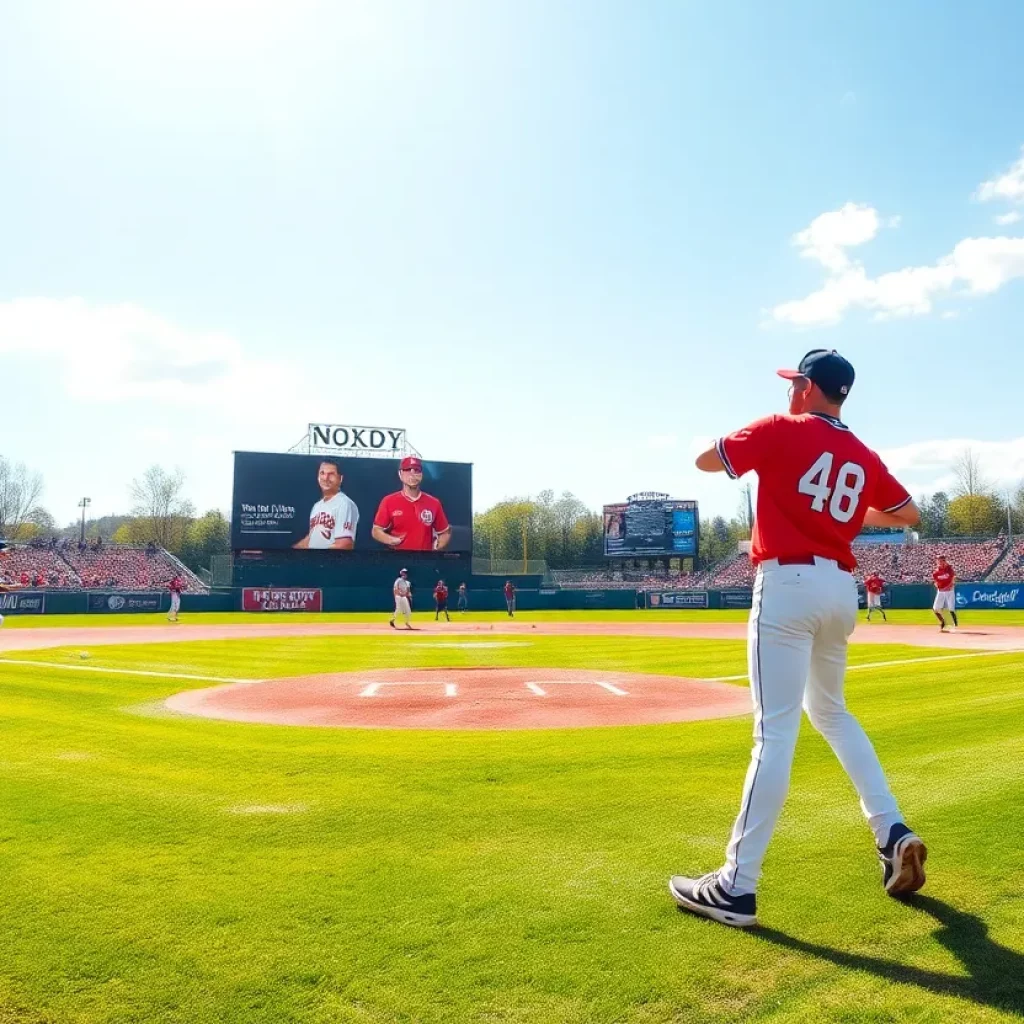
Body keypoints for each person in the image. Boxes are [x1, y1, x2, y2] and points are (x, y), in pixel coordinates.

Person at [671, 348, 926, 928]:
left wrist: (745, 439)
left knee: (774, 732)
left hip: (786, 581)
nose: (790, 390)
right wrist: (852, 508)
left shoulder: (779, 428)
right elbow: (907, 513)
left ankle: (737, 887)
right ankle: (891, 830)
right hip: (840, 589)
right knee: (832, 712)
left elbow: (706, 461)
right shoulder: (861, 452)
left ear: (809, 387)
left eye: (795, 383)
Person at [372, 457, 451, 552]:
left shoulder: (434, 503)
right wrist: (391, 540)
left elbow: (445, 532)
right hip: (398, 560)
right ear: (400, 474)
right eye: (408, 470)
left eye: (416, 470)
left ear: (421, 474)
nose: (412, 473)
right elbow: (376, 531)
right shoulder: (388, 501)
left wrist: (438, 546)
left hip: (425, 559)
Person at [294, 459, 360, 550]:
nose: (326, 478)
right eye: (322, 473)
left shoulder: (344, 503)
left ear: (340, 478)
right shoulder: (317, 506)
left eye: (331, 474)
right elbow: (311, 539)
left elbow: (345, 544)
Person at [932, 555, 958, 632]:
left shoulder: (949, 569)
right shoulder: (936, 572)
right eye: (939, 560)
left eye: (942, 560)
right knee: (935, 608)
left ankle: (954, 625)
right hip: (941, 591)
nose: (941, 562)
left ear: (945, 561)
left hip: (949, 591)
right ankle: (943, 622)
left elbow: (953, 579)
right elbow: (935, 582)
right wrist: (936, 584)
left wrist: (950, 585)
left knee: (951, 608)